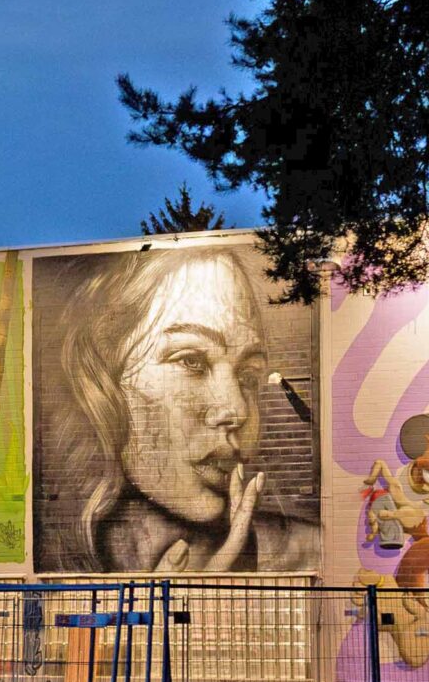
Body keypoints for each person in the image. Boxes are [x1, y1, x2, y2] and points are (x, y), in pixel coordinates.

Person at [37, 243, 318, 574]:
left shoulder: (307, 555)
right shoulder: (51, 559)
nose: (237, 410)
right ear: (102, 380)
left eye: (247, 376)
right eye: (192, 361)